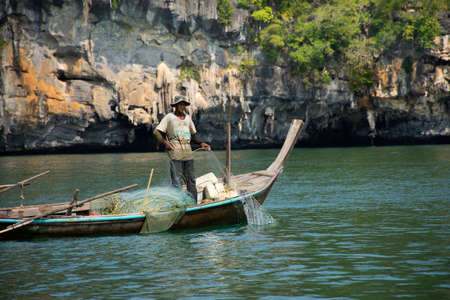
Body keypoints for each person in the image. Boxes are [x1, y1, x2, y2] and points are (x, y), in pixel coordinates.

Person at [153, 95, 211, 200]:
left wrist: (201, 143)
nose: (182, 106)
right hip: (175, 154)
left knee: (191, 180)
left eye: (183, 105)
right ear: (175, 106)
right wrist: (165, 142)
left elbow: (193, 136)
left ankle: (192, 202)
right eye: (180, 104)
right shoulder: (169, 117)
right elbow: (156, 132)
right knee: (177, 181)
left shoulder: (188, 118)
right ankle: (179, 202)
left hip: (188, 155)